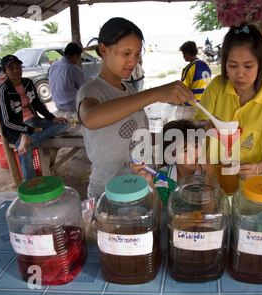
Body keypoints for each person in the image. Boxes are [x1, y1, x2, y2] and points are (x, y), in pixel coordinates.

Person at [76, 17, 195, 199]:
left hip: (142, 187)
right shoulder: (91, 91)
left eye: (137, 54)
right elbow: (91, 118)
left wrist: (189, 133)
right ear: (103, 49)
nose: (133, 62)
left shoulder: (129, 89)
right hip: (110, 194)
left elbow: (138, 136)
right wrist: (155, 94)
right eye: (126, 53)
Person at [194, 24, 262, 181]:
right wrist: (205, 126)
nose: (240, 74)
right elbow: (197, 123)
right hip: (212, 180)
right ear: (225, 64)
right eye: (232, 66)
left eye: (248, 66)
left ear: (260, 64)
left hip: (247, 186)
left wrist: (256, 168)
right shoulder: (217, 86)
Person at [0, 55, 71, 181]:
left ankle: (30, 140)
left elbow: (38, 104)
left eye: (18, 67)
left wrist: (51, 118)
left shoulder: (28, 83)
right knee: (25, 151)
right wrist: (28, 130)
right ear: (5, 71)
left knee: (66, 124)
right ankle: (31, 184)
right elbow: (6, 121)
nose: (16, 71)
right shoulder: (3, 91)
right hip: (17, 129)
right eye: (11, 68)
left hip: (35, 122)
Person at [131, 120, 214, 206]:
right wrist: (148, 182)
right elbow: (158, 207)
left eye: (196, 146)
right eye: (185, 151)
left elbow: (210, 212)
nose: (193, 154)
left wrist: (209, 171)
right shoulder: (164, 177)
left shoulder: (206, 172)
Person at [48, 42, 87, 113]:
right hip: (72, 107)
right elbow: (84, 89)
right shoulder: (73, 69)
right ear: (76, 56)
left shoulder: (53, 66)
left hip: (58, 105)